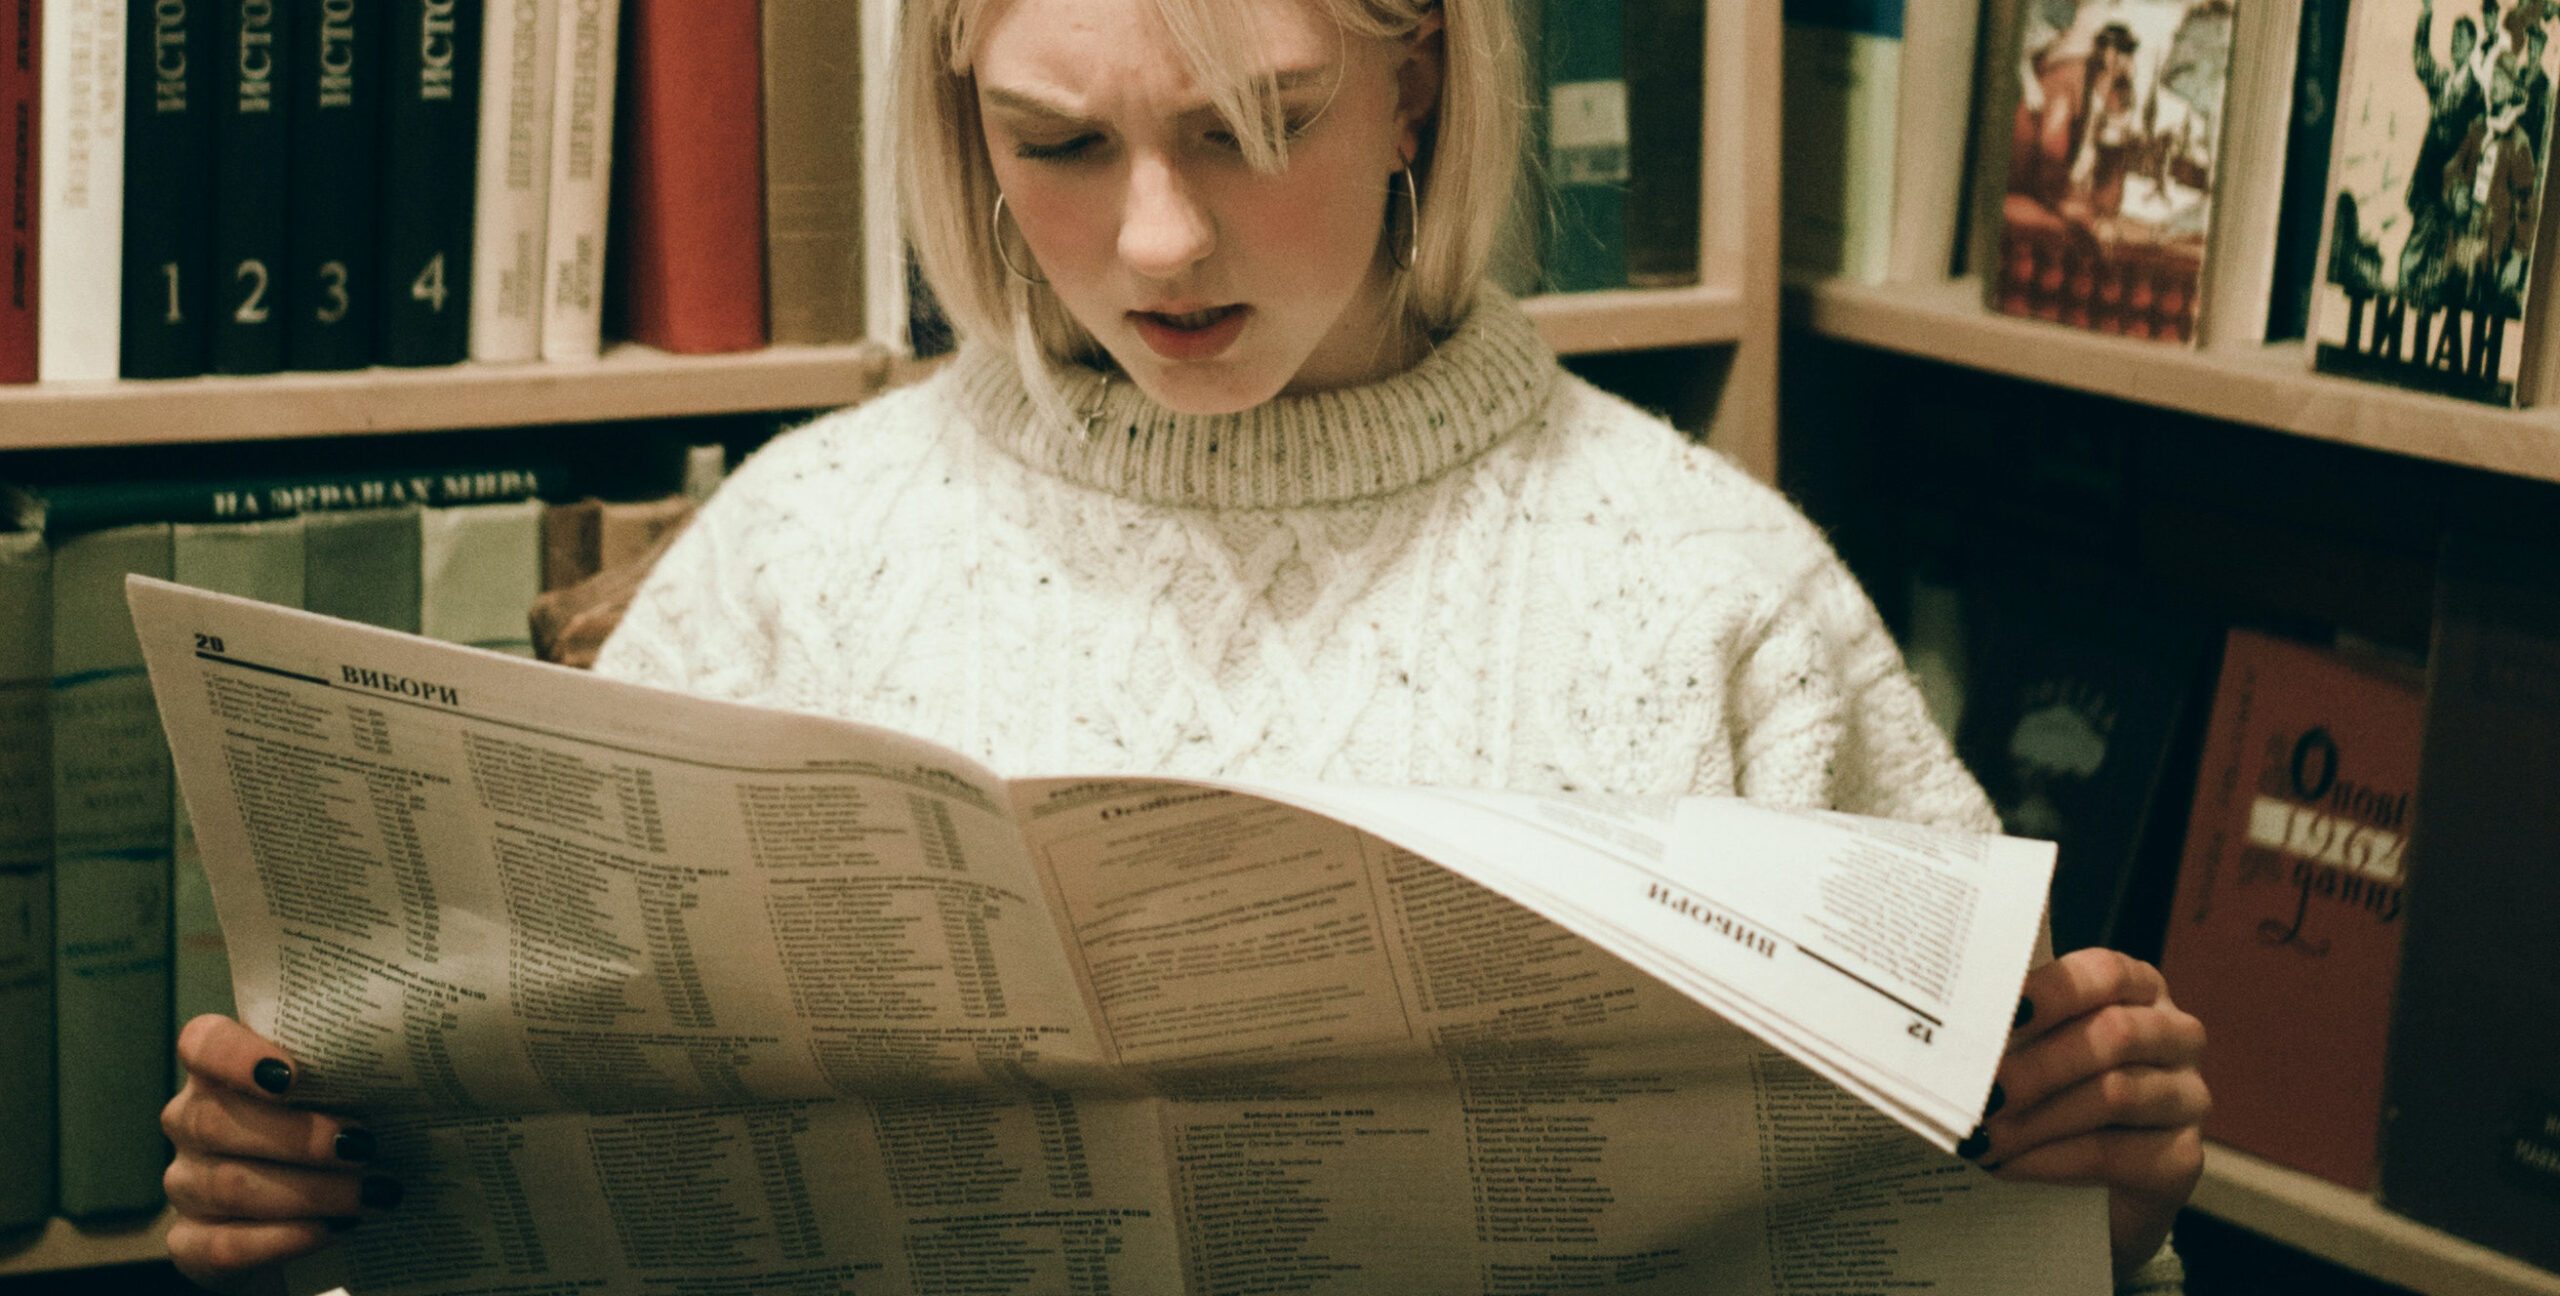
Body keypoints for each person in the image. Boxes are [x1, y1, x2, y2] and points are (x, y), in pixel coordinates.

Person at [158, 0, 2210, 1291]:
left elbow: (1976, 1221)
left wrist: (2091, 1207)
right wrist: (317, 1195)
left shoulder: (1711, 587)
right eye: (1055, 144)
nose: (1155, 242)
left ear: (1420, 80)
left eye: (1253, 121)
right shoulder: (797, 554)